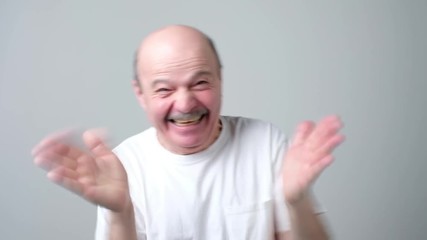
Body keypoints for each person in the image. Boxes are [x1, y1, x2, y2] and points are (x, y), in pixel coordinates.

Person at [32, 25, 345, 240]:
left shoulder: (265, 142)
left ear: (220, 80)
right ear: (140, 94)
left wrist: (297, 201)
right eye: (165, 89)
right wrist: (121, 212)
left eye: (200, 83)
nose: (185, 103)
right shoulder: (122, 167)